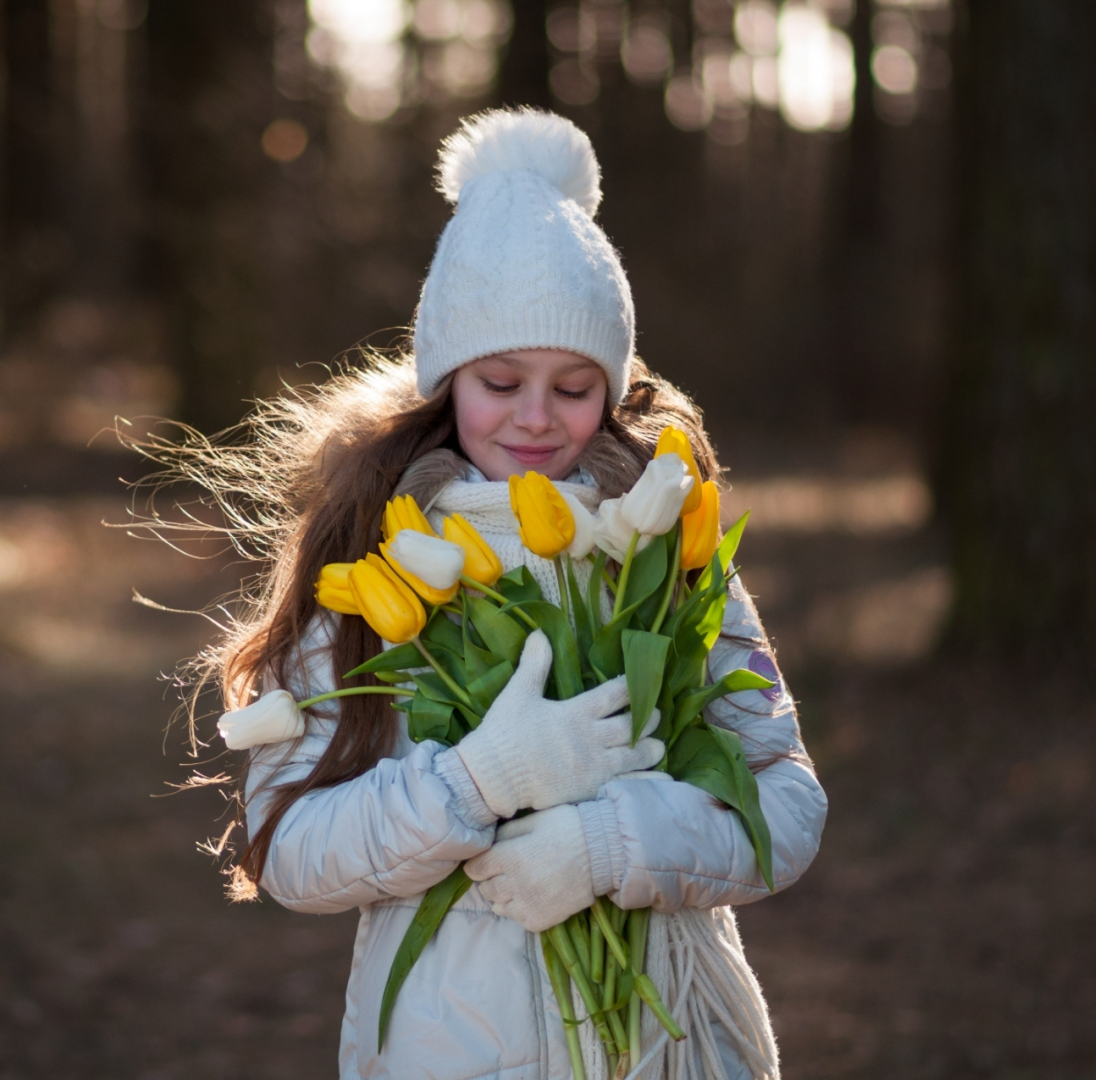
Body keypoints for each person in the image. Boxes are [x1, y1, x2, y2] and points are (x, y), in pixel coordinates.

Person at [162, 109, 826, 1080]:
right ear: (446, 379)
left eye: (573, 386)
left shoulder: (669, 548)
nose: (533, 417)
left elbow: (788, 803)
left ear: (613, 387)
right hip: (453, 1049)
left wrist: (612, 845)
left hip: (672, 1043)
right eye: (501, 379)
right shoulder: (372, 563)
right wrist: (477, 783)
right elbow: (291, 850)